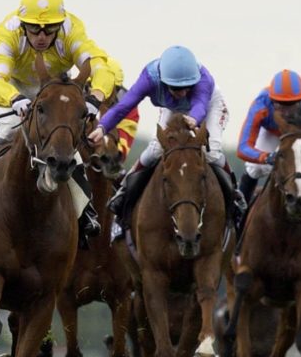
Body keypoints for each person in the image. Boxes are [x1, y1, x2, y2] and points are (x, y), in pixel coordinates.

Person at [0, 0, 117, 247]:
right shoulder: (7, 32)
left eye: (49, 29)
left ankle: (85, 212)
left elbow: (101, 65)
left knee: (66, 143)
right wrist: (14, 98)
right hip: (15, 91)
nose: (42, 35)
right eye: (34, 28)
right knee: (3, 132)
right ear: (23, 25)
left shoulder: (72, 29)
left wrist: (96, 97)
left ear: (61, 24)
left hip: (55, 92)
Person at [87, 45, 246, 225]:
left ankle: (234, 193)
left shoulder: (203, 80)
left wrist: (194, 119)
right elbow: (124, 106)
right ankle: (123, 192)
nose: (183, 92)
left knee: (212, 152)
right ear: (163, 81)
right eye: (176, 88)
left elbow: (200, 105)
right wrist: (102, 128)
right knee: (154, 150)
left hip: (209, 106)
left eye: (187, 87)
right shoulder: (148, 78)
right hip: (173, 107)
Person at [236, 69, 301, 256]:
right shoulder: (260, 104)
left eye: (292, 104)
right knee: (253, 169)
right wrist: (265, 157)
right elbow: (243, 147)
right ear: (272, 100)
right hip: (271, 134)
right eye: (280, 105)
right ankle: (238, 216)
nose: (285, 110)